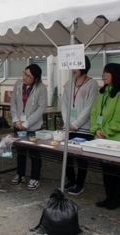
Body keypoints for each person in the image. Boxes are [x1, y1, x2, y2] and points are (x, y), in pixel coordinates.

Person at [61, 56, 98, 195]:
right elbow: (64, 104)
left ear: (84, 66)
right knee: (68, 155)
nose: (74, 70)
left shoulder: (92, 84)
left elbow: (89, 107)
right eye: (72, 66)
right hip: (68, 126)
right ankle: (71, 179)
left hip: (83, 128)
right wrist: (67, 122)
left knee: (81, 157)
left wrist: (75, 124)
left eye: (77, 66)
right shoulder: (69, 83)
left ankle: (80, 183)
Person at [10, 64, 47, 190]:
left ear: (35, 78)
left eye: (28, 76)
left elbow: (41, 108)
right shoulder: (18, 84)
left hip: (33, 127)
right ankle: (20, 174)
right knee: (20, 152)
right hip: (18, 125)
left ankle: (35, 178)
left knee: (34, 153)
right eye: (24, 73)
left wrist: (27, 123)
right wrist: (15, 120)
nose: (24, 77)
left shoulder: (41, 88)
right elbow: (13, 103)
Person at [90, 63, 120, 210]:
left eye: (107, 72)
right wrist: (96, 129)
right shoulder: (102, 92)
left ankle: (115, 199)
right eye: (103, 72)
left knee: (115, 171)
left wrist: (105, 131)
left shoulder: (119, 93)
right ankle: (109, 197)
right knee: (106, 171)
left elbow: (118, 119)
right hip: (100, 139)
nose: (104, 75)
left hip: (114, 140)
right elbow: (94, 112)